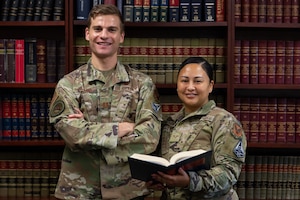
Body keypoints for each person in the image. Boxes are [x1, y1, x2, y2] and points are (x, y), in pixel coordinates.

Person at [48, 4, 162, 200]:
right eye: (98, 29)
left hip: (128, 191)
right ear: (87, 34)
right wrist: (119, 129)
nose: (104, 35)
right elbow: (72, 134)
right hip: (78, 192)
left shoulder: (143, 84)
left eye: (112, 29)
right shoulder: (68, 84)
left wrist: (90, 132)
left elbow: (149, 137)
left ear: (121, 37)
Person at [147, 57, 247, 200]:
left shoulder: (224, 121)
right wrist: (158, 180)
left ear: (210, 86)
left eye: (198, 81)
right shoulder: (169, 124)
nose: (190, 87)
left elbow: (229, 173)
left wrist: (190, 181)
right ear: (177, 85)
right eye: (184, 80)